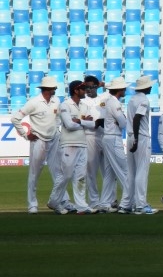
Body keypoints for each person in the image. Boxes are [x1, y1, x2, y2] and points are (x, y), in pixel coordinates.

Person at [11, 76, 63, 214]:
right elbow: (15, 118)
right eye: (54, 87)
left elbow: (57, 117)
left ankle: (59, 201)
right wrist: (25, 134)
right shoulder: (33, 103)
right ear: (48, 89)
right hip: (38, 140)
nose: (55, 89)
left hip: (54, 139)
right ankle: (32, 205)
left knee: (58, 171)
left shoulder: (56, 101)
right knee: (34, 173)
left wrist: (57, 129)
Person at [48, 81, 98, 215]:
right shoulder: (65, 105)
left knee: (81, 176)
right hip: (68, 144)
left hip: (82, 143)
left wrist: (80, 121)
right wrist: (84, 122)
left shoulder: (84, 105)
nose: (85, 91)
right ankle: (54, 202)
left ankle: (81, 206)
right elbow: (69, 125)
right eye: (83, 89)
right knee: (66, 175)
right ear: (76, 90)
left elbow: (93, 124)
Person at [126, 75, 158, 215]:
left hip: (130, 136)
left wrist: (133, 138)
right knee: (142, 171)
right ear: (145, 87)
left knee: (132, 171)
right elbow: (137, 118)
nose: (151, 87)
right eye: (149, 85)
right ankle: (141, 204)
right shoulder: (144, 100)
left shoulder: (132, 99)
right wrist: (137, 139)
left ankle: (131, 203)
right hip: (141, 137)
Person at [101, 77, 133, 214]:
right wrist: (123, 120)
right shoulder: (114, 103)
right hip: (113, 138)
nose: (125, 89)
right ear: (119, 90)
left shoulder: (110, 102)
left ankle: (104, 203)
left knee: (109, 173)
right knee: (125, 170)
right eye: (123, 88)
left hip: (109, 137)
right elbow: (123, 123)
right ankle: (129, 201)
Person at [82, 75, 109, 210]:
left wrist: (103, 84)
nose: (89, 90)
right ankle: (94, 202)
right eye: (86, 87)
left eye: (92, 87)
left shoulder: (104, 98)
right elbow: (79, 120)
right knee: (91, 171)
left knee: (108, 171)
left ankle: (108, 201)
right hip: (90, 136)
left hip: (105, 135)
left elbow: (119, 89)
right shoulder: (82, 101)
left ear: (97, 86)